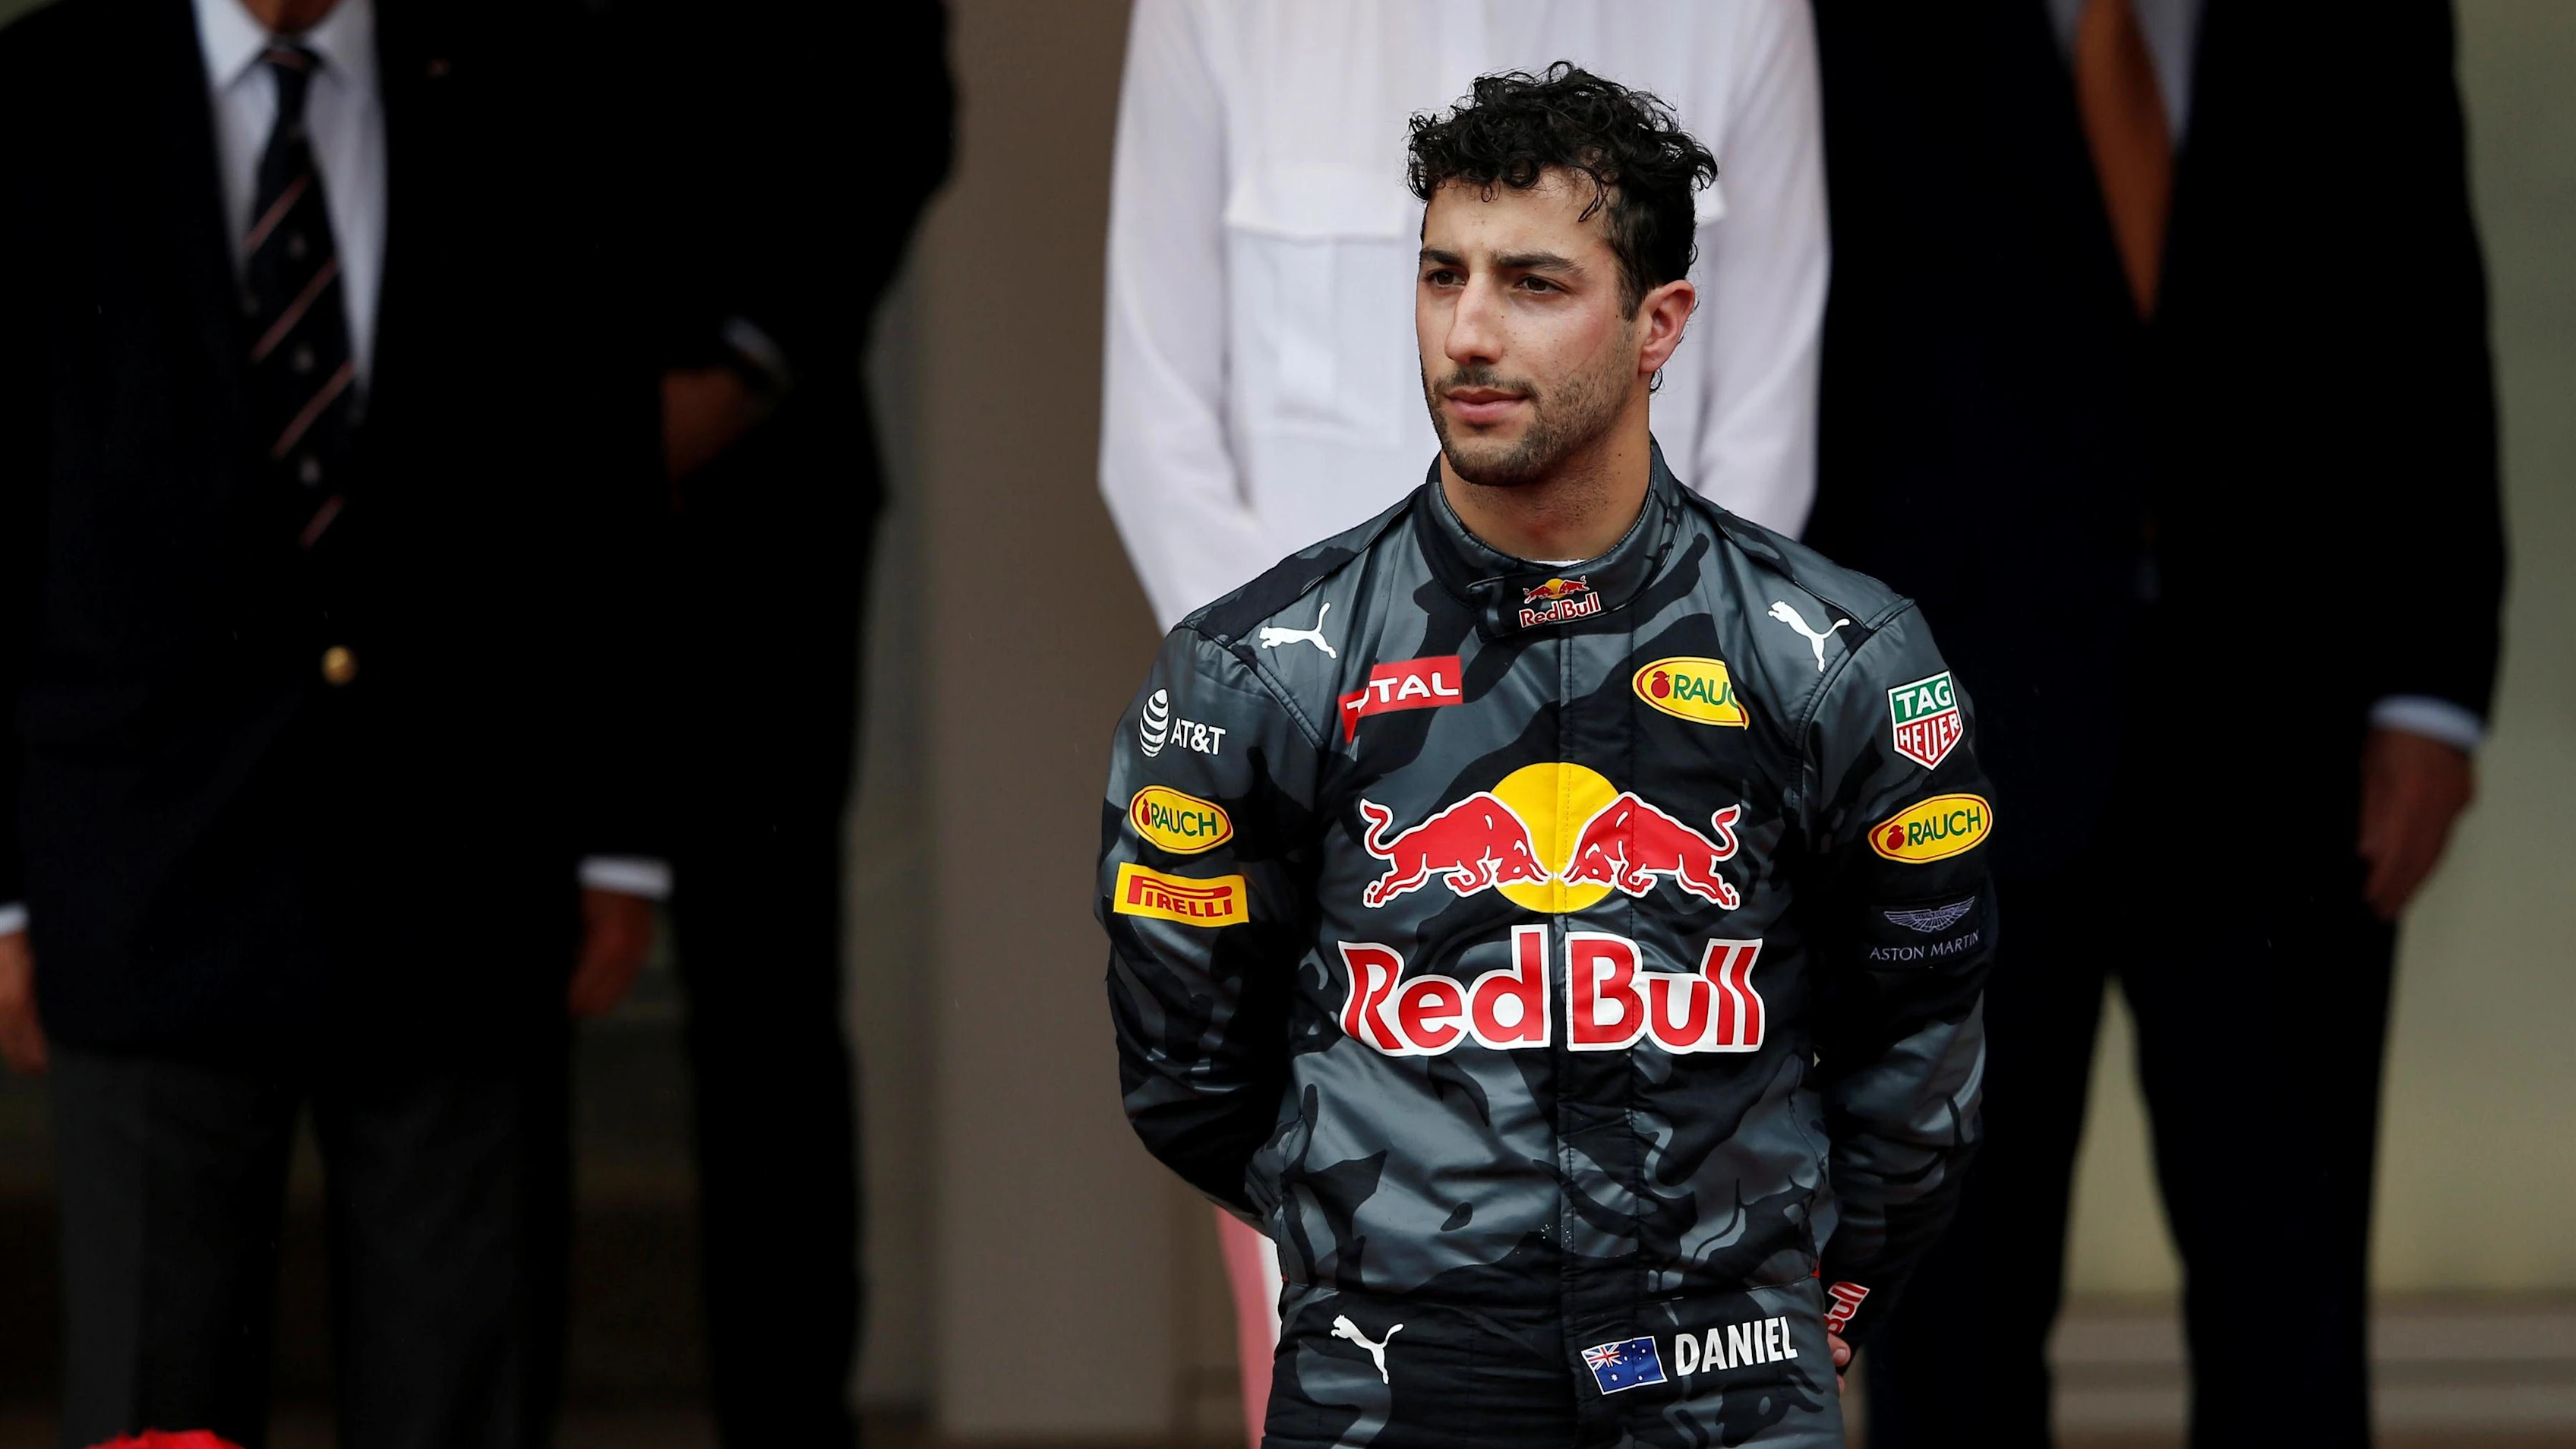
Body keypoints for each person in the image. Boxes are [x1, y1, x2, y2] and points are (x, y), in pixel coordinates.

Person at [1097, 66, 1994, 1447]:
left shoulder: (1839, 661)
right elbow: (1187, 1069)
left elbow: (1921, 1046)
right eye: (1441, 275)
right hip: (1395, 1386)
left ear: (1658, 324)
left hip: (1730, 1376)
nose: (1466, 332)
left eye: (1531, 284)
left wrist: (1804, 1302)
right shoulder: (1261, 670)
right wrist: (1371, 1240)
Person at [1803, 2, 2506, 1444]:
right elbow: (1787, 355)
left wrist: (2430, 696)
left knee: (2290, 1315)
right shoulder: (1830, 22)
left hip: (2284, 739)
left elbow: (2425, 321)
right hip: (1937, 752)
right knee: (1949, 1332)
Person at [0, 0, 666, 1441]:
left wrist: (620, 836)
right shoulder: (39, 97)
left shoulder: (529, 89)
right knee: (156, 1403)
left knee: (460, 1391)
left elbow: (600, 487)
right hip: (136, 872)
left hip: (463, 873)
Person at [605, 2, 952, 1442]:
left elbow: (895, 112)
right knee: (477, 986)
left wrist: (740, 366)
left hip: (764, 504)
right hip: (487, 491)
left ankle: (786, 1418)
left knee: (765, 991)